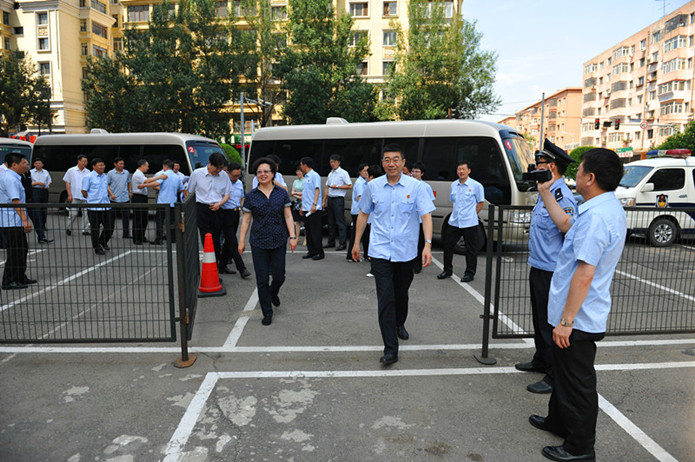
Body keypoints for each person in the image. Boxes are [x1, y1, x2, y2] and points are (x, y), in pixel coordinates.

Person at [529, 148, 626, 462]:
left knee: (577, 383)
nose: (577, 175)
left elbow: (585, 273)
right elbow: (566, 225)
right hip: (571, 312)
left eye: (580, 170)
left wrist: (567, 320)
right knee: (563, 374)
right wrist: (546, 192)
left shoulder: (598, 216)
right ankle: (559, 422)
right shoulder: (599, 207)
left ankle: (580, 447)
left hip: (578, 318)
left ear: (591, 178)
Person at [351, 144, 435, 365]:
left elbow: (426, 216)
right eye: (387, 159)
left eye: (396, 159)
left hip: (406, 252)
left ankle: (399, 323)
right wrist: (356, 243)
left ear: (403, 162)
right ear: (382, 163)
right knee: (385, 298)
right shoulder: (373, 186)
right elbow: (363, 214)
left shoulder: (416, 187)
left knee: (401, 294)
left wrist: (427, 245)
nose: (391, 164)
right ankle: (390, 349)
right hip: (380, 251)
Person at [515, 140, 578, 396]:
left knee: (550, 323)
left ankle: (553, 374)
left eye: (539, 163)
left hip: (553, 270)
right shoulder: (547, 192)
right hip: (539, 266)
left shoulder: (561, 196)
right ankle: (541, 359)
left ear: (551, 167)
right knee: (539, 319)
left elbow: (568, 230)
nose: (535, 167)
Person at [238, 157, 297, 326]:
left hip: (279, 240)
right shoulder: (251, 196)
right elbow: (246, 220)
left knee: (279, 276)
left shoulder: (281, 193)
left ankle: (273, 293)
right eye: (259, 172)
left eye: (266, 171)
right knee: (262, 279)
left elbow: (288, 216)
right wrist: (241, 241)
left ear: (273, 174)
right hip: (258, 241)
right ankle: (267, 311)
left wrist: (293, 236)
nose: (262, 174)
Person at [437, 160, 485, 283]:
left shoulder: (476, 186)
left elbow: (480, 203)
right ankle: (447, 270)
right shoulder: (454, 185)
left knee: (471, 249)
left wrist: (472, 215)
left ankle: (469, 273)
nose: (461, 171)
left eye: (464, 169)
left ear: (469, 171)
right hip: (454, 221)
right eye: (459, 169)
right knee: (448, 245)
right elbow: (453, 201)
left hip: (469, 222)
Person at [184, 152, 231, 260]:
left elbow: (227, 194)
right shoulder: (197, 174)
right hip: (202, 209)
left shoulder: (223, 175)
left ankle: (216, 262)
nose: (218, 170)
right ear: (209, 163)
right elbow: (189, 192)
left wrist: (219, 204)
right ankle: (209, 261)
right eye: (217, 168)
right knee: (206, 237)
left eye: (221, 168)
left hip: (217, 209)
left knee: (216, 237)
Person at [0, 153, 35, 289]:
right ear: (14, 165)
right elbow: (15, 200)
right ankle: (9, 280)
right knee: (15, 251)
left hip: (15, 220)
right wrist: (25, 220)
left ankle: (20, 276)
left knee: (22, 249)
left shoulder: (15, 177)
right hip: (11, 221)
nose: (26, 166)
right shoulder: (10, 179)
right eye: (24, 163)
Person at [219, 162, 251, 279]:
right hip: (225, 213)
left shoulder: (239, 183)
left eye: (239, 175)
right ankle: (242, 268)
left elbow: (241, 197)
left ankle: (221, 266)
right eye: (234, 175)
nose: (236, 178)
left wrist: (241, 208)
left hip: (235, 213)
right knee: (233, 241)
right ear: (228, 173)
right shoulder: (222, 183)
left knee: (228, 242)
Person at [81, 158, 115, 255]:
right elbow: (84, 191)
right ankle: (97, 247)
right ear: (94, 166)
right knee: (95, 228)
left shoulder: (105, 176)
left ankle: (102, 241)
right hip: (94, 207)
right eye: (100, 165)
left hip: (106, 206)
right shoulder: (88, 177)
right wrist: (91, 199)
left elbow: (106, 187)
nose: (102, 167)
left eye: (103, 165)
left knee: (110, 226)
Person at [323, 154, 352, 251]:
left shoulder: (343, 173)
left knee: (340, 222)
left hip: (338, 199)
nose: (332, 163)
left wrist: (338, 187)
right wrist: (324, 201)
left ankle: (342, 243)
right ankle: (331, 242)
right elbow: (327, 187)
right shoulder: (330, 173)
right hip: (330, 199)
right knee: (330, 222)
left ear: (338, 163)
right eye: (331, 161)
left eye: (334, 162)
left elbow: (349, 185)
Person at [410, 161, 435, 274]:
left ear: (422, 173)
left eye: (417, 172)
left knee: (420, 244)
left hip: (421, 220)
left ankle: (417, 266)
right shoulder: (408, 184)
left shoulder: (426, 187)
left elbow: (429, 205)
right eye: (413, 171)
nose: (414, 174)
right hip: (410, 220)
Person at [152, 159, 184, 245]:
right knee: (171, 221)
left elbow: (154, 185)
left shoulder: (161, 175)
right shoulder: (177, 177)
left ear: (164, 166)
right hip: (172, 202)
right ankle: (172, 239)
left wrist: (163, 189)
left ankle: (159, 239)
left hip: (162, 202)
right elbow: (181, 188)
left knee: (160, 221)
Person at [299, 156, 324, 261]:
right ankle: (311, 250)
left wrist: (314, 204)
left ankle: (319, 252)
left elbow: (317, 190)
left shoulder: (314, 175)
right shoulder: (305, 177)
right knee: (308, 231)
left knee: (315, 231)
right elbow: (305, 193)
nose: (300, 167)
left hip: (314, 209)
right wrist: (302, 206)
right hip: (306, 208)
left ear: (305, 165)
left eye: (301, 165)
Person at [346, 163, 369, 262]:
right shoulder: (360, 183)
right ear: (360, 172)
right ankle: (351, 255)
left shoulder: (365, 182)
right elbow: (360, 198)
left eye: (368, 171)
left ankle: (367, 255)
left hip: (361, 211)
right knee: (356, 234)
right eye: (364, 171)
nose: (366, 173)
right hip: (358, 212)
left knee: (365, 233)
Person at [63, 154, 91, 236]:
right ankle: (69, 228)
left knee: (86, 214)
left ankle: (85, 229)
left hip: (85, 196)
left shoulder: (88, 172)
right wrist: (69, 194)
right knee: (73, 213)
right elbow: (67, 182)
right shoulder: (71, 170)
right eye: (83, 161)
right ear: (79, 161)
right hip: (75, 195)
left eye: (86, 162)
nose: (85, 163)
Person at [107, 157, 132, 239]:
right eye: (120, 164)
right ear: (115, 164)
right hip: (114, 199)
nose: (122, 165)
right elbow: (107, 184)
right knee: (111, 218)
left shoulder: (126, 172)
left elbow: (129, 182)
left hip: (125, 198)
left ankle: (126, 233)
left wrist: (130, 191)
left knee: (126, 217)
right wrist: (111, 194)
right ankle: (109, 233)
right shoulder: (110, 173)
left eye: (123, 164)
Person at [29, 158, 53, 244]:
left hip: (44, 190)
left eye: (39, 163)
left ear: (42, 164)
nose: (38, 165)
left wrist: (47, 185)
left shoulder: (45, 172)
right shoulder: (31, 172)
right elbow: (29, 184)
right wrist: (38, 183)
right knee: (36, 211)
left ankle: (42, 225)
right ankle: (41, 233)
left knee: (44, 209)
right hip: (35, 190)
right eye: (36, 163)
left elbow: (49, 181)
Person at [290, 164, 305, 246]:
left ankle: (306, 239)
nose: (298, 173)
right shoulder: (295, 181)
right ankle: (297, 237)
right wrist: (299, 195)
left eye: (300, 171)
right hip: (296, 202)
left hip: (304, 202)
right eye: (297, 171)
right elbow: (292, 193)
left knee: (305, 221)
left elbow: (305, 193)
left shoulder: (305, 181)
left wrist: (296, 194)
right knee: (297, 221)